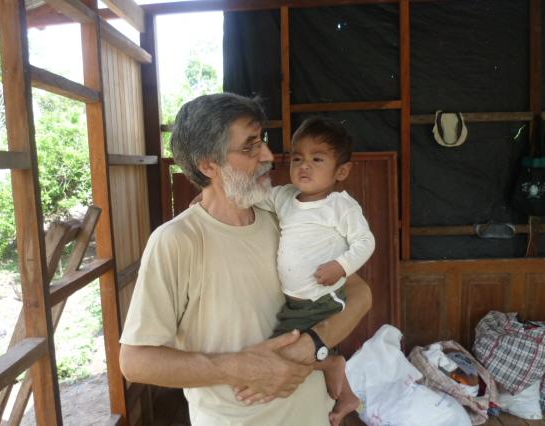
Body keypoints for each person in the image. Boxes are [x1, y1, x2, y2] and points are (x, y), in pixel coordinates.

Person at [119, 93, 372, 426]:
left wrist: (314, 344)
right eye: (250, 146)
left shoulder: (283, 218)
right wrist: (237, 367)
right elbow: (135, 361)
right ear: (208, 164)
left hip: (313, 415)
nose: (268, 155)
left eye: (262, 141)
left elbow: (359, 293)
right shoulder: (178, 241)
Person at [258, 117, 375, 426]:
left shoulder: (340, 206)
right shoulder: (284, 197)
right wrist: (206, 197)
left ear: (342, 171)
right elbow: (252, 197)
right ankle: (341, 381)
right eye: (297, 158)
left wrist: (341, 266)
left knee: (283, 351)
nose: (304, 166)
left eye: (317, 159)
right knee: (294, 349)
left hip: (321, 298)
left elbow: (365, 242)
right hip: (295, 301)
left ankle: (332, 365)